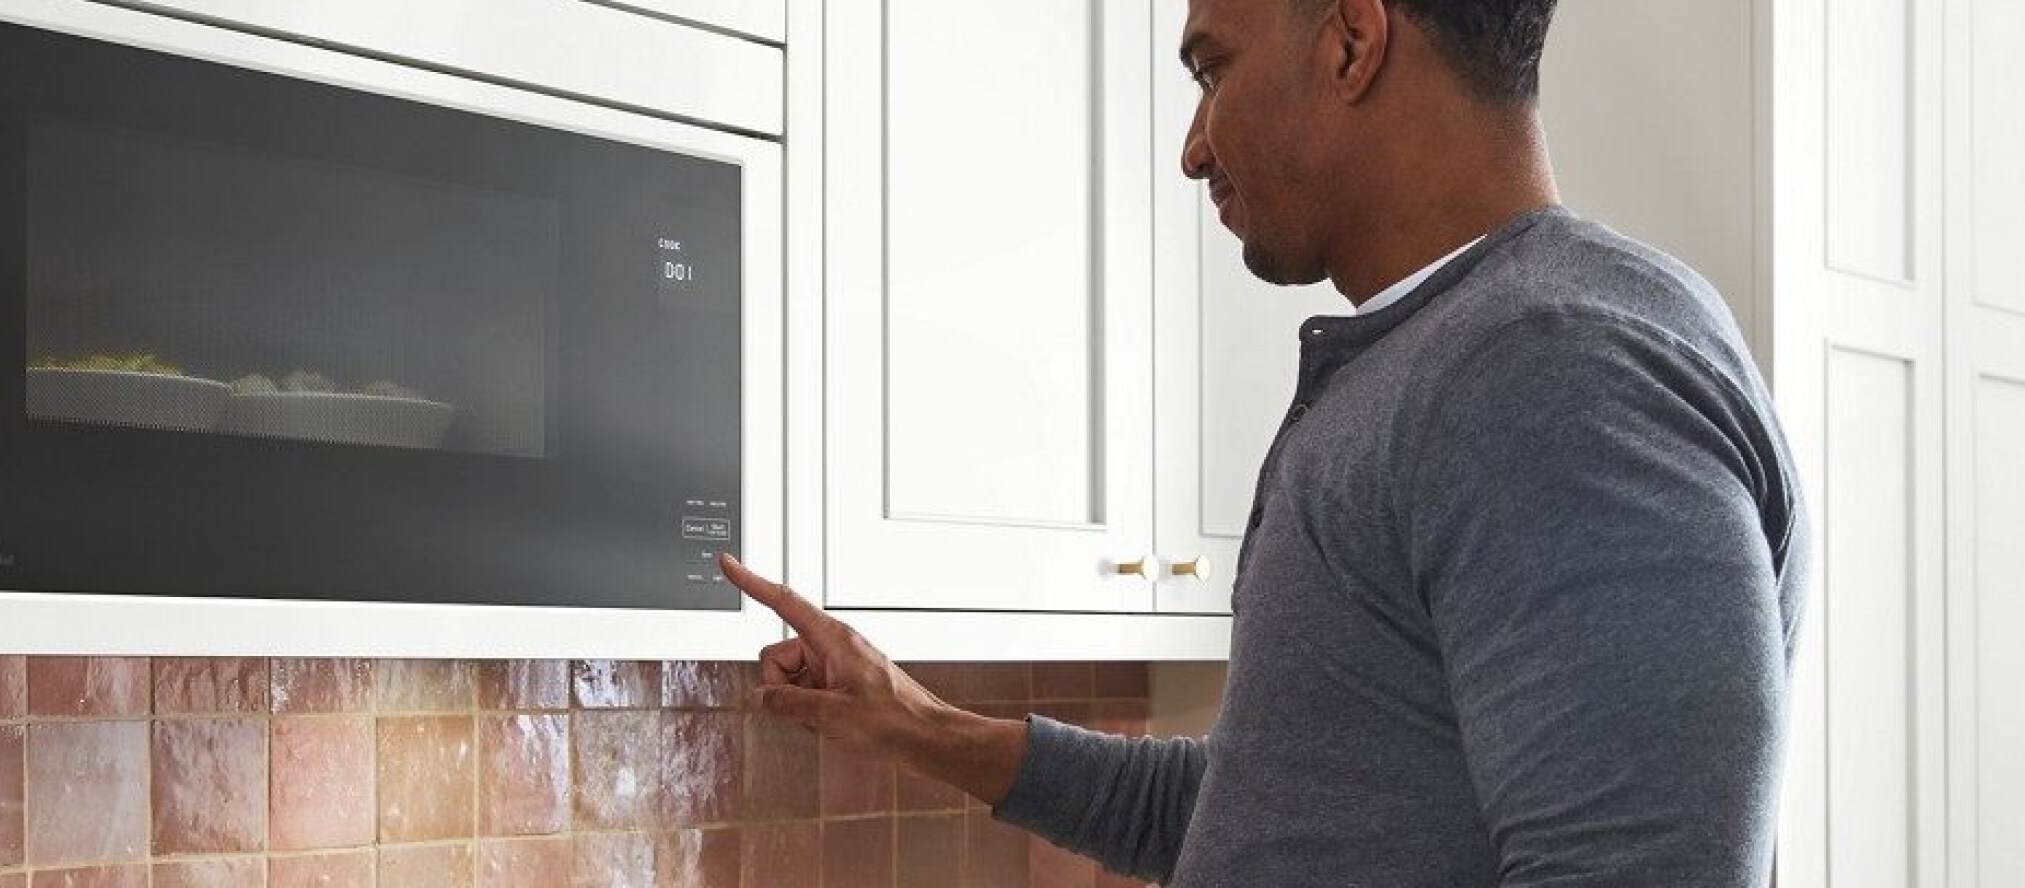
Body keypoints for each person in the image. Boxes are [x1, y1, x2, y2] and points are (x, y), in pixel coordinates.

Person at [719, 0, 1809, 884]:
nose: (1194, 149)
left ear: (1351, 42)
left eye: (1212, 70)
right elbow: (1271, 804)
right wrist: (913, 722)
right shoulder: (1469, 358)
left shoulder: (1551, 371)